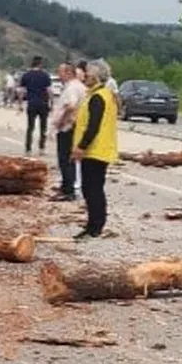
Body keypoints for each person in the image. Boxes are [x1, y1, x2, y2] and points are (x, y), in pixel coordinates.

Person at [70, 59, 119, 238]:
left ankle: (94, 227)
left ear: (97, 76)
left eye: (89, 74)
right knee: (93, 188)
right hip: (100, 148)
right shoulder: (102, 94)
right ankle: (94, 225)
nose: (86, 77)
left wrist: (81, 146)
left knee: (92, 189)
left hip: (95, 150)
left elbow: (93, 126)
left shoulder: (98, 97)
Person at [49, 63, 87, 201]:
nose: (59, 75)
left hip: (68, 127)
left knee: (65, 159)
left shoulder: (71, 88)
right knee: (68, 159)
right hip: (76, 126)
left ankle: (68, 190)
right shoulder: (80, 87)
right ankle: (66, 185)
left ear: (69, 73)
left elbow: (71, 106)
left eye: (60, 72)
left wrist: (61, 121)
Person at [20, 57, 53, 155]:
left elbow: (22, 91)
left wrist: (20, 103)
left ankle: (28, 149)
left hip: (32, 103)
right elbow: (49, 90)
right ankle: (41, 148)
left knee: (30, 127)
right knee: (43, 127)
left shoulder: (26, 75)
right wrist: (52, 102)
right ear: (40, 64)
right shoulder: (45, 75)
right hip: (43, 103)